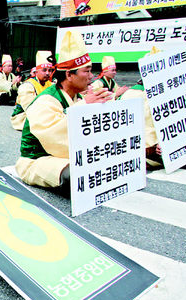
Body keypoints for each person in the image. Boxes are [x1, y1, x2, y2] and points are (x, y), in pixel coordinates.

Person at [15, 30, 110, 189]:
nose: (91, 76)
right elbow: (55, 137)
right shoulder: (46, 100)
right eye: (86, 71)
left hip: (61, 155)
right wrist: (85, 107)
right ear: (69, 75)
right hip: (39, 160)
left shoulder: (76, 97)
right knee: (76, 174)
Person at [11, 51, 53, 131]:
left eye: (50, 70)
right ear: (36, 72)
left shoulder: (50, 84)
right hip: (24, 117)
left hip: (44, 113)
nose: (47, 73)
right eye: (44, 70)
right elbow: (31, 109)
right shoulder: (27, 86)